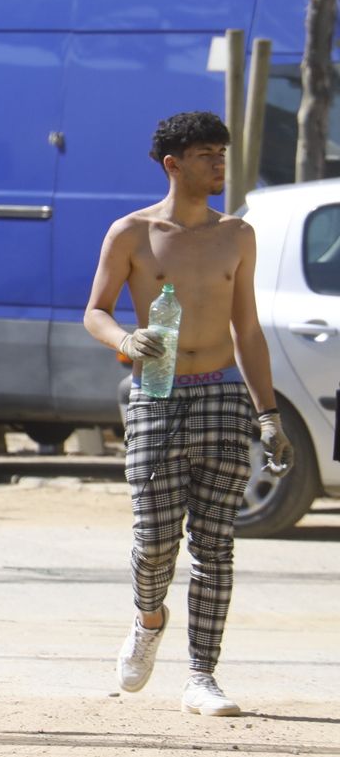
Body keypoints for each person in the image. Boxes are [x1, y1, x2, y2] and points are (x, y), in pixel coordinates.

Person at [83, 111, 292, 718]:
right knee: (153, 543)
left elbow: (247, 328)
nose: (218, 164)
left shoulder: (237, 235)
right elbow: (95, 311)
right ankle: (149, 620)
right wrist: (125, 339)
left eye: (222, 154)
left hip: (224, 395)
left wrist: (269, 414)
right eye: (205, 155)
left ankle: (202, 675)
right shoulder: (132, 234)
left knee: (216, 545)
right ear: (173, 164)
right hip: (157, 395)